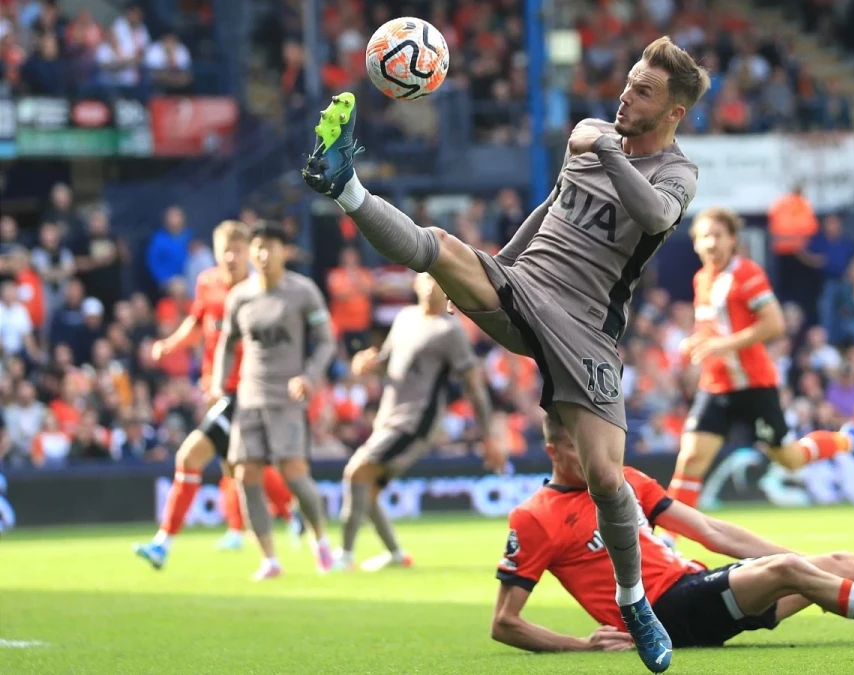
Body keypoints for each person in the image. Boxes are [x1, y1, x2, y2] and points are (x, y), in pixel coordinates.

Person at [302, 37, 710, 672]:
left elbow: (655, 216)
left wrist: (603, 145)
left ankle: (635, 604)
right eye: (628, 83)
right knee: (438, 244)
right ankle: (345, 184)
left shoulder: (675, 172)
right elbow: (550, 210)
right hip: (527, 287)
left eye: (644, 91)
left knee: (607, 479)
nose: (625, 96)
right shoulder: (591, 135)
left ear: (674, 112)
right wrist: (501, 266)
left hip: (587, 328)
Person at [490, 413, 854, 654]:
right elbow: (505, 624)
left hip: (695, 587)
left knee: (836, 561)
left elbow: (707, 529)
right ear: (556, 450)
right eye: (591, 445)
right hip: (663, 616)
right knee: (791, 570)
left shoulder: (624, 480)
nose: (604, 454)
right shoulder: (534, 517)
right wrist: (581, 644)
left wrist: (797, 558)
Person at [664, 207, 854, 543]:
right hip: (717, 386)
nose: (711, 243)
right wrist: (695, 342)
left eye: (718, 235)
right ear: (695, 243)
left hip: (755, 385)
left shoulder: (746, 273)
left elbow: (774, 324)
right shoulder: (702, 279)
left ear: (732, 240)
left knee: (790, 459)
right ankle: (668, 542)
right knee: (689, 459)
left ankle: (846, 439)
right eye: (704, 236)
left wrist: (721, 344)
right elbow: (711, 329)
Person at [134, 221, 297, 570]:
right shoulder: (207, 283)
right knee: (242, 468)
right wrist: (171, 344)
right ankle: (291, 511)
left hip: (246, 391)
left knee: (190, 457)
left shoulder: (259, 290)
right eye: (224, 249)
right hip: (217, 389)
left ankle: (163, 544)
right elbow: (197, 323)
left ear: (248, 254)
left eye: (237, 250)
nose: (230, 256)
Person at [333, 273, 507, 572]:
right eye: (426, 280)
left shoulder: (450, 330)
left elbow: (473, 387)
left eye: (439, 281)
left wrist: (488, 435)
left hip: (415, 422)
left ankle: (345, 556)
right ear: (415, 283)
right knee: (369, 488)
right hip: (389, 416)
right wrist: (367, 364)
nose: (430, 287)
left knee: (355, 473)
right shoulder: (405, 317)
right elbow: (386, 363)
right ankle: (396, 555)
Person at [211, 223, 337, 580]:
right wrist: (218, 383)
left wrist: (309, 377)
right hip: (249, 396)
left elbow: (326, 342)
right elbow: (227, 343)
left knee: (294, 475)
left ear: (285, 251)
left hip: (287, 397)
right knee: (245, 472)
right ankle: (269, 559)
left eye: (271, 247)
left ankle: (321, 541)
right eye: (258, 247)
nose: (264, 254)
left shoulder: (302, 291)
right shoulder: (239, 297)